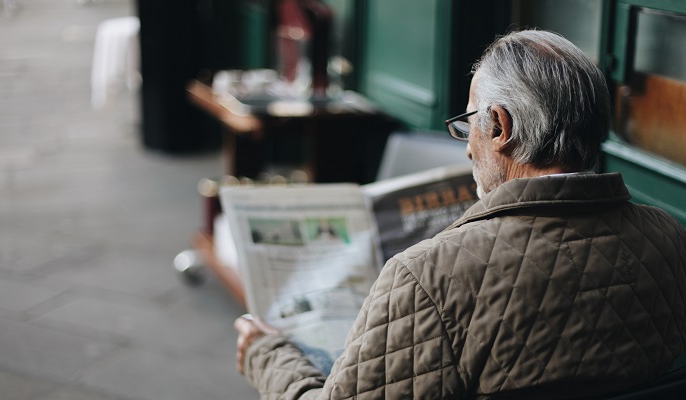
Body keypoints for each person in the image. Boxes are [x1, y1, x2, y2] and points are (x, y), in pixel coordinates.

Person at [233, 30, 686, 399]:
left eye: (470, 123)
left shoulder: (426, 277)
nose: (468, 144)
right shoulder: (670, 237)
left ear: (501, 127)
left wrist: (268, 356)